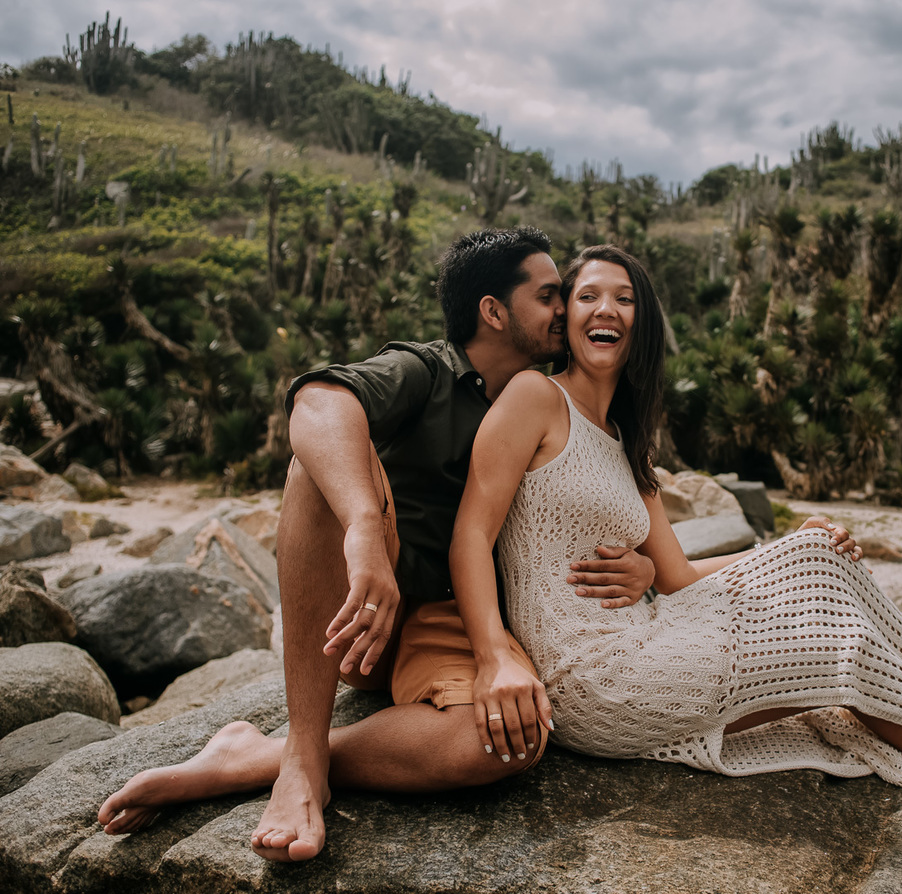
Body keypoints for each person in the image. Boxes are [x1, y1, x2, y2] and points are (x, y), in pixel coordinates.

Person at [449, 243, 902, 856]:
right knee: (840, 653)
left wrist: (796, 546)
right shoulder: (535, 398)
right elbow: (471, 535)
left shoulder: (627, 442)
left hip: (648, 633)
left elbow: (677, 574)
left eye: (625, 297)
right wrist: (493, 656)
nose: (606, 309)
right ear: (566, 316)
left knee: (820, 557)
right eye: (587, 296)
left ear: (644, 321)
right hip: (593, 678)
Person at [96, 228, 656, 862]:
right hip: (367, 616)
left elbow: (598, 510)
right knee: (318, 464)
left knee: (509, 740)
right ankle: (301, 762)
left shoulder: (561, 399)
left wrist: (641, 568)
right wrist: (363, 529)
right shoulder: (426, 370)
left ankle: (251, 756)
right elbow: (315, 401)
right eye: (550, 296)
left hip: (456, 621)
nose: (566, 310)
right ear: (494, 312)